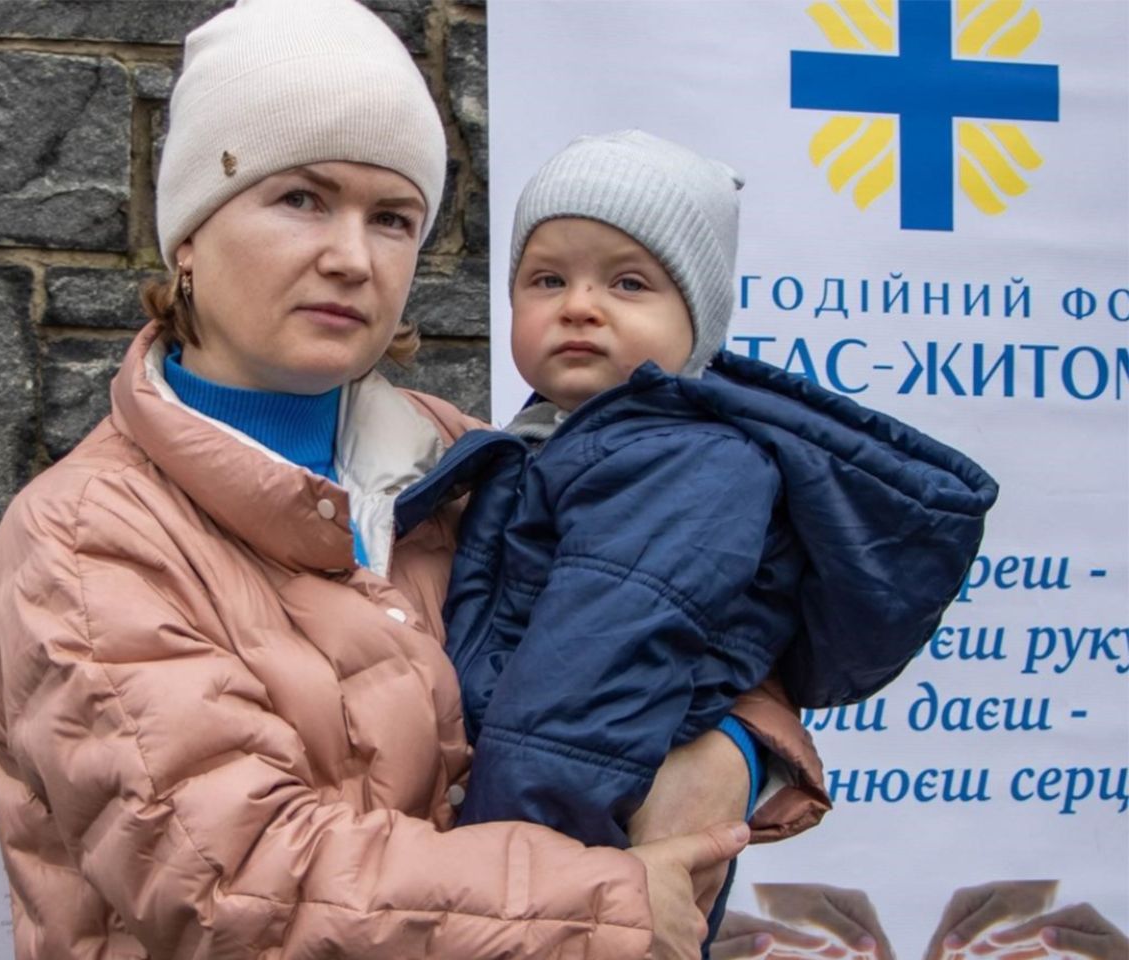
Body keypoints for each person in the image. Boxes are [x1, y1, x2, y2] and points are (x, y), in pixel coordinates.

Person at [0, 5, 829, 959]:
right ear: (188, 233)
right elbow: (236, 888)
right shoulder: (86, 537)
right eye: (300, 197)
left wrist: (739, 748)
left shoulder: (470, 462)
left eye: (392, 219)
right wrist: (609, 909)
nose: (352, 257)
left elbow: (675, 619)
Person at [392, 130, 996, 938]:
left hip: (568, 870)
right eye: (546, 278)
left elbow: (583, 703)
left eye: (630, 282)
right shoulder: (552, 442)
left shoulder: (682, 466)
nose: (579, 303)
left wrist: (504, 884)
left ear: (698, 323)